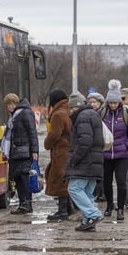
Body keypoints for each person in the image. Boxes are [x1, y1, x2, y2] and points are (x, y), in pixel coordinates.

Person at [65, 91, 105, 231]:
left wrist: (74, 160)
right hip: (95, 160)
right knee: (87, 193)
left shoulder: (82, 117)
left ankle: (93, 214)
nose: (70, 111)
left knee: (74, 188)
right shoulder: (93, 114)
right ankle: (87, 221)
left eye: (71, 108)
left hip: (85, 162)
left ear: (76, 106)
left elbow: (85, 142)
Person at [100, 81, 128, 221]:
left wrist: (127, 146)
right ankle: (110, 205)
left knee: (121, 181)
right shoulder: (102, 113)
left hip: (122, 154)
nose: (113, 105)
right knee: (106, 182)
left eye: (115, 103)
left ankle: (121, 208)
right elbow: (97, 130)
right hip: (106, 153)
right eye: (110, 103)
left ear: (119, 102)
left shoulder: (126, 113)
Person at [2, 93, 39, 214]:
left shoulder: (25, 113)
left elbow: (32, 132)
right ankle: (22, 203)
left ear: (13, 103)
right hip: (16, 152)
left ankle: (27, 203)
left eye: (8, 105)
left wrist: (34, 151)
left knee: (24, 178)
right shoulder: (14, 116)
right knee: (18, 178)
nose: (7, 108)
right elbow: (11, 136)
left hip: (24, 152)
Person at [44, 89, 73, 220]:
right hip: (68, 149)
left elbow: (54, 134)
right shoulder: (68, 110)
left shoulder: (58, 115)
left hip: (61, 151)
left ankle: (63, 211)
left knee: (60, 179)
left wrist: (47, 144)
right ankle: (68, 208)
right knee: (65, 179)